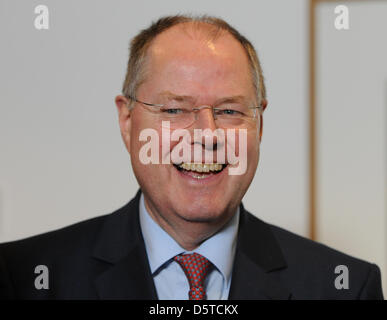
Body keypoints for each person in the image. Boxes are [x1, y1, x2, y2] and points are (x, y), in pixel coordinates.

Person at [0, 15, 383, 300]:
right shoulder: (22, 277)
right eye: (174, 110)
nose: (206, 135)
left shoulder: (344, 287)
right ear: (128, 119)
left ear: (259, 126)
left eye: (230, 111)